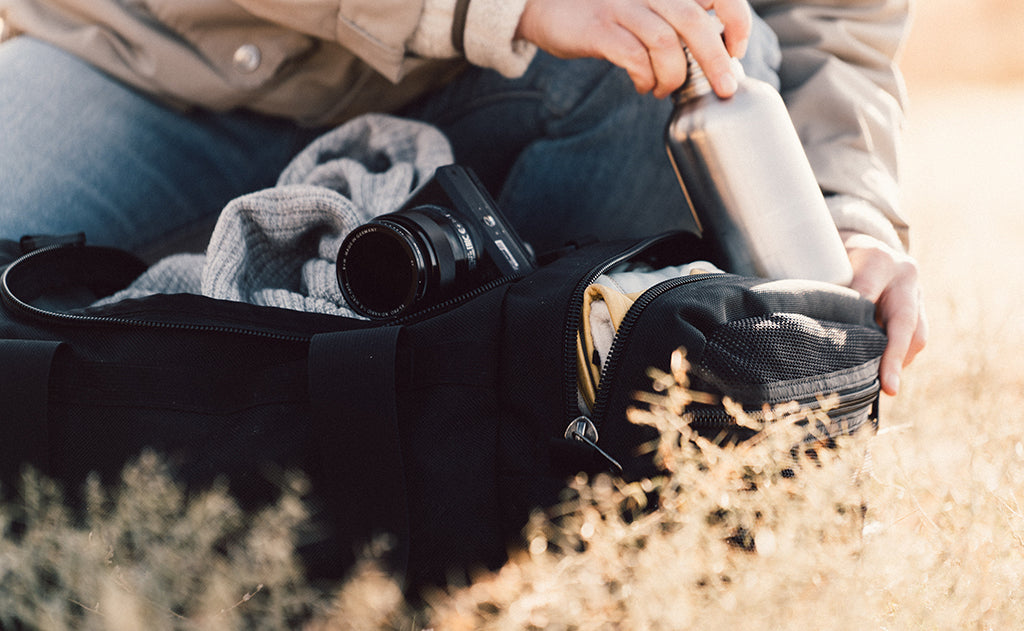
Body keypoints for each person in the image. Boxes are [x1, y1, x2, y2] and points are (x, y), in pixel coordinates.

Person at [0, 0, 925, 395]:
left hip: (527, 88)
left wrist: (846, 209)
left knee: (727, 69)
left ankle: (496, 408)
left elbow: (829, 18)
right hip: (146, 70)